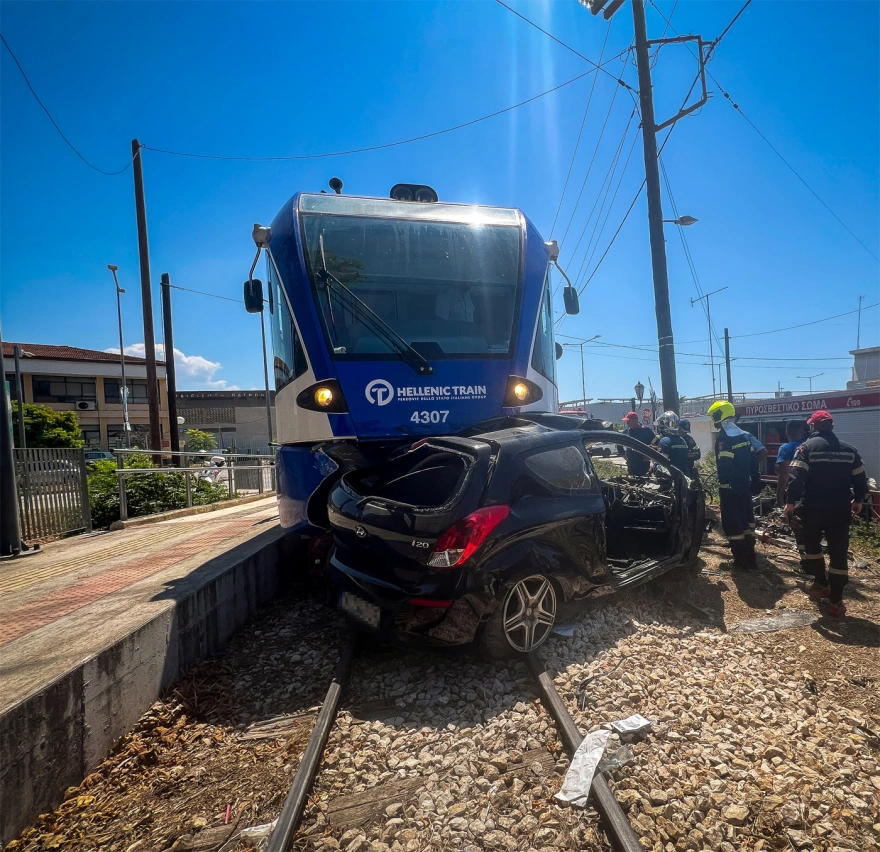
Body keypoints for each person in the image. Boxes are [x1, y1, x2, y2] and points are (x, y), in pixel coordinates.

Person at [784, 410, 868, 617]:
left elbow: (796, 477)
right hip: (840, 510)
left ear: (812, 427)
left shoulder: (806, 448)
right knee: (839, 553)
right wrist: (858, 500)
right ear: (831, 426)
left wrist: (790, 502)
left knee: (811, 547)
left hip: (812, 508)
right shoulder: (850, 450)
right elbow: (860, 479)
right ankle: (836, 601)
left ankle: (821, 583)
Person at [708, 400, 762, 570]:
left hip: (729, 489)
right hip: (745, 487)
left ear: (719, 415)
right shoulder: (745, 436)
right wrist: (755, 481)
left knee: (733, 524)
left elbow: (725, 466)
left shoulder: (724, 439)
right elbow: (754, 462)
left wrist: (724, 486)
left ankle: (740, 562)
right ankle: (751, 559)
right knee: (747, 522)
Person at [775, 420, 809, 572]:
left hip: (796, 495)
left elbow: (784, 474)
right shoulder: (809, 446)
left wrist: (780, 495)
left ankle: (806, 562)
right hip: (812, 493)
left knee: (798, 529)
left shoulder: (786, 448)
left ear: (786, 433)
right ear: (801, 432)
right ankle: (815, 561)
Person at [620, 411, 655, 476]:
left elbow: (656, 443)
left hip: (643, 464)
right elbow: (619, 444)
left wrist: (650, 456)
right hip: (631, 464)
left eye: (629, 421)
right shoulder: (626, 432)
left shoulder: (647, 431)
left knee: (645, 483)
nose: (627, 423)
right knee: (632, 483)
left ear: (635, 420)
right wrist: (623, 455)